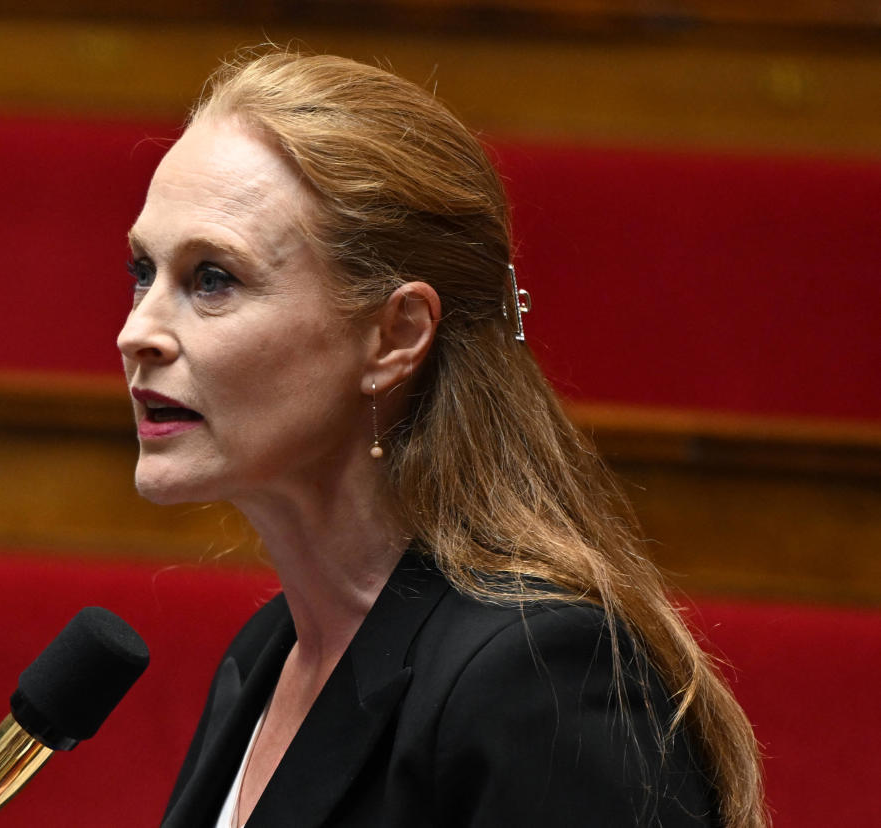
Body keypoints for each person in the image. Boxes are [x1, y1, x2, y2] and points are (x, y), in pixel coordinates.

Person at [117, 50, 766, 828]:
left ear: (396, 335)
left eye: (212, 279)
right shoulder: (268, 655)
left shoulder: (538, 681)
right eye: (142, 271)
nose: (137, 332)